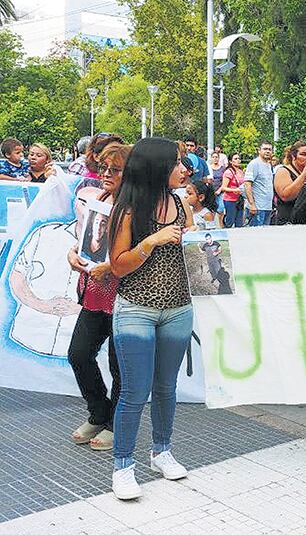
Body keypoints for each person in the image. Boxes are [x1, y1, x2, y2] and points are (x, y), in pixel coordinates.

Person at [108, 137, 194, 500]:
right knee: (134, 392)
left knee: (166, 388)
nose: (184, 170)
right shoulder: (127, 210)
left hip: (178, 308)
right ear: (158, 168)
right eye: (176, 163)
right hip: (136, 309)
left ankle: (162, 451)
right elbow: (117, 265)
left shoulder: (180, 203)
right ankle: (123, 465)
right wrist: (152, 241)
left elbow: (196, 253)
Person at [65, 143, 131, 452]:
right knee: (78, 354)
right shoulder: (98, 199)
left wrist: (112, 266)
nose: (106, 174)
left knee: (119, 366)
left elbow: (140, 253)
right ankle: (99, 411)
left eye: (114, 169)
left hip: (124, 296)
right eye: (103, 167)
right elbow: (80, 240)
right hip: (93, 293)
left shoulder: (137, 206)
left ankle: (115, 424)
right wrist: (72, 253)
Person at [273, 141, 306, 225]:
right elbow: (286, 196)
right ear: (293, 156)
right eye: (303, 154)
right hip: (288, 221)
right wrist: (303, 176)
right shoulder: (283, 171)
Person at [243, 141, 275, 226]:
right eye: (265, 149)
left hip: (267, 207)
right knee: (256, 235)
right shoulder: (254, 164)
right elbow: (247, 184)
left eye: (270, 149)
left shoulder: (269, 165)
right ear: (259, 150)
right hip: (257, 208)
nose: (268, 151)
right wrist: (252, 204)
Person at [219, 153, 245, 228]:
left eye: (239, 158)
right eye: (235, 159)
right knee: (230, 220)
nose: (238, 160)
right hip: (230, 199)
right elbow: (223, 187)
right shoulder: (228, 172)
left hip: (239, 198)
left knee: (239, 221)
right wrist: (234, 189)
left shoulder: (241, 171)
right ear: (231, 161)